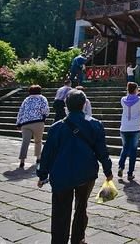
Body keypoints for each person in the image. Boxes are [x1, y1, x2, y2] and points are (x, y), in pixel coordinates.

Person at [36, 89, 112, 244]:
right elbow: (102, 151)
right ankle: (78, 239)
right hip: (86, 173)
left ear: (66, 105)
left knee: (60, 212)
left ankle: (59, 240)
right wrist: (108, 170)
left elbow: (47, 153)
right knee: (81, 208)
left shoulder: (57, 127)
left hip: (61, 175)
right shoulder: (96, 124)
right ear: (84, 104)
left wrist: (42, 175)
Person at [118, 82, 140, 181]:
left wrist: (132, 92)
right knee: (133, 151)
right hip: (135, 128)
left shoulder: (123, 100)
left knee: (125, 147)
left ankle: (121, 166)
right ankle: (130, 173)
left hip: (124, 128)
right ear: (136, 90)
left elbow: (129, 97)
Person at [16, 85, 49, 169]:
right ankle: (38, 158)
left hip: (25, 123)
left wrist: (18, 123)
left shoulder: (26, 99)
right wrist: (45, 116)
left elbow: (21, 111)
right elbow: (45, 110)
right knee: (38, 141)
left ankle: (22, 161)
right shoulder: (42, 98)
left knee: (25, 142)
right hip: (38, 122)